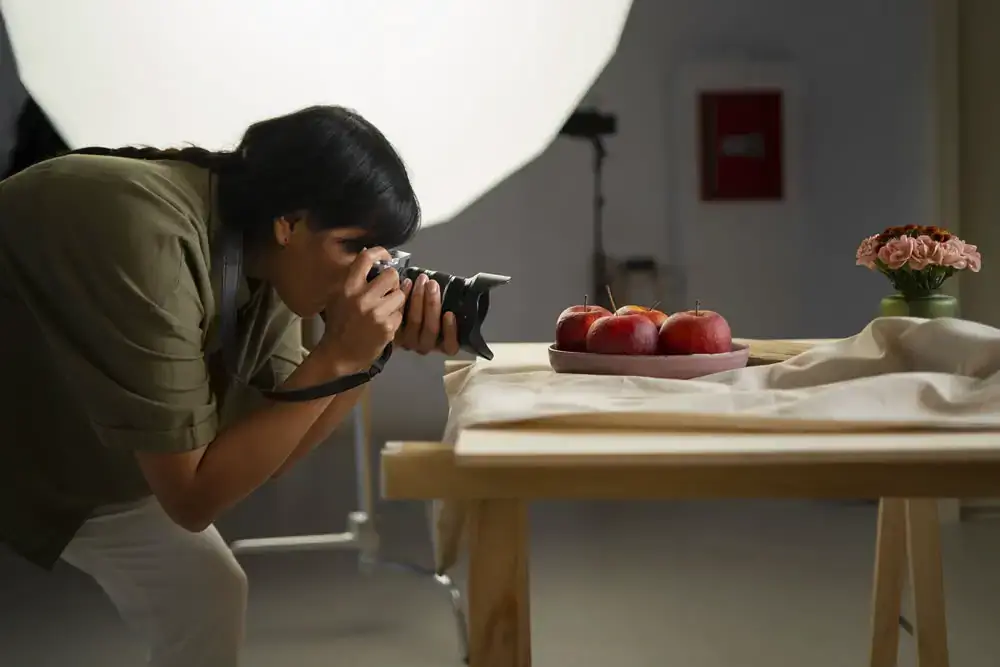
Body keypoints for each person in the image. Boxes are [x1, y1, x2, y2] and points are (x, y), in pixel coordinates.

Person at [0, 105, 460, 666]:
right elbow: (194, 499)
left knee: (204, 590)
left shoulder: (266, 260)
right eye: (352, 246)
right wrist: (339, 353)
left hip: (62, 420)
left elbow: (272, 448)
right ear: (289, 223)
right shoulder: (152, 237)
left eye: (379, 255)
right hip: (32, 415)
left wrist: (365, 356)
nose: (367, 272)